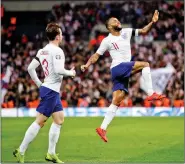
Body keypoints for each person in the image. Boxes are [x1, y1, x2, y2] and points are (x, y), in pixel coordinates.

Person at [81, 10, 165, 143]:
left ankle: (102, 128)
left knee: (117, 100)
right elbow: (96, 55)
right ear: (109, 27)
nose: (117, 21)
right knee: (145, 64)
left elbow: (143, 31)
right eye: (114, 20)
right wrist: (87, 64)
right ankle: (150, 93)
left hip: (120, 72)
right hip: (118, 67)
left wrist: (152, 22)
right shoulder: (107, 40)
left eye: (117, 19)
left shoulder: (126, 32)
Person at [13, 23, 76, 163]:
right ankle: (20, 150)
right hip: (51, 90)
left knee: (59, 120)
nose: (62, 36)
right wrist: (71, 72)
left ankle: (51, 153)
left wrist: (39, 84)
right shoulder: (58, 51)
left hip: (49, 89)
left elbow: (30, 68)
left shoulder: (42, 51)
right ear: (58, 36)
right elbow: (60, 70)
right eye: (61, 33)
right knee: (40, 122)